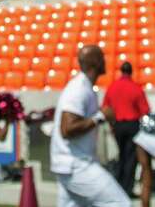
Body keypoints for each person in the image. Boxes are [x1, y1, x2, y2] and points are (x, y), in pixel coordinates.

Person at [50, 45, 130, 207]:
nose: (104, 61)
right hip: (77, 165)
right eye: (101, 57)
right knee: (120, 203)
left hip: (70, 164)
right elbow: (67, 129)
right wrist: (100, 117)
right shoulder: (79, 89)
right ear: (94, 62)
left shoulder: (85, 86)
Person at [103, 61, 150, 195]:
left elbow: (105, 107)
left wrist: (112, 125)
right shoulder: (135, 88)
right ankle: (126, 188)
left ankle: (118, 186)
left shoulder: (112, 87)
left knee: (121, 155)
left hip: (117, 125)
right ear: (131, 72)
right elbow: (145, 110)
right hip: (132, 125)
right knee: (130, 157)